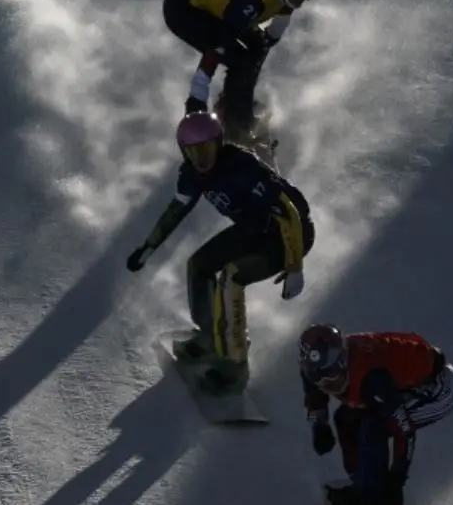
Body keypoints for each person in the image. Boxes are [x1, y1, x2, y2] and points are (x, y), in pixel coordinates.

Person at [126, 111, 315, 393]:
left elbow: (289, 213)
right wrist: (148, 247)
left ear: (219, 144)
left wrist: (295, 265)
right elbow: (176, 211)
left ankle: (235, 365)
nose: (202, 158)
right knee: (199, 265)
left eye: (207, 148)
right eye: (193, 151)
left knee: (232, 276)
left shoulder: (242, 168)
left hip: (289, 234)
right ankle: (212, 339)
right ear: (183, 151)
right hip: (254, 229)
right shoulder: (191, 174)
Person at [300, 325, 453, 505]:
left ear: (344, 357)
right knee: (345, 420)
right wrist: (319, 424)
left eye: (336, 370)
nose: (330, 380)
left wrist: (397, 480)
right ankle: (363, 488)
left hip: (436, 389)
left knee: (373, 430)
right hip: (396, 382)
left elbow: (404, 430)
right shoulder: (312, 367)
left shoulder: (370, 379)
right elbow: (314, 396)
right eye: (322, 375)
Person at [161, 0, 327, 143]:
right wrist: (197, 99)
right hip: (184, 7)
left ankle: (234, 110)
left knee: (255, 50)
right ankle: (235, 129)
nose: (300, 0)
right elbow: (216, 48)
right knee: (241, 61)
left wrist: (239, 96)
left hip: (216, 8)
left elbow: (269, 39)